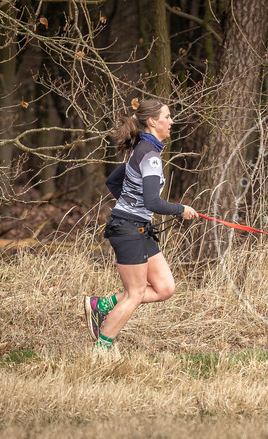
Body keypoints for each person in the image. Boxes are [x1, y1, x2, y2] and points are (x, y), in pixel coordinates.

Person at [84, 99, 198, 352]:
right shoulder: (151, 156)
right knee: (135, 293)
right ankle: (100, 351)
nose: (171, 121)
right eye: (167, 117)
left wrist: (131, 206)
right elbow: (152, 201)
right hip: (128, 229)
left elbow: (114, 183)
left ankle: (101, 306)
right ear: (152, 122)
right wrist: (181, 209)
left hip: (136, 227)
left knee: (165, 288)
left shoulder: (142, 150)